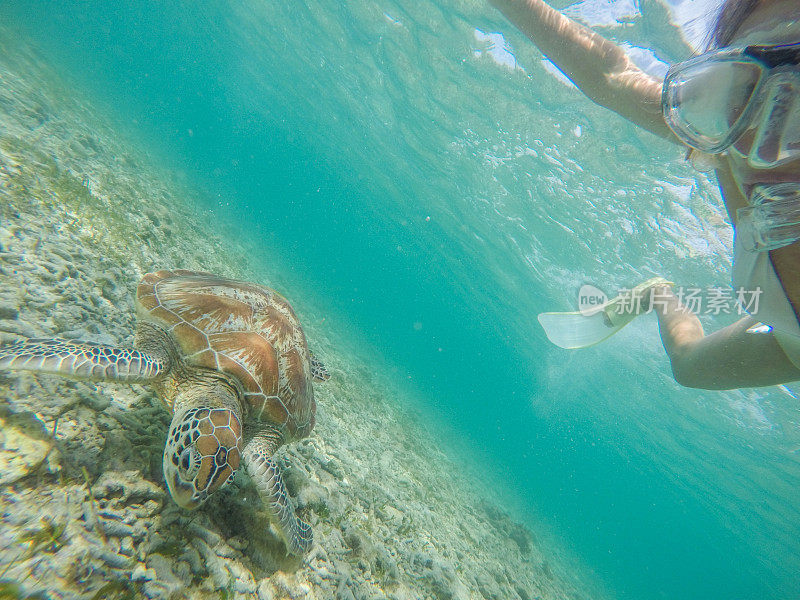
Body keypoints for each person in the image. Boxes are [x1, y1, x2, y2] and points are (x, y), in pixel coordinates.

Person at [490, 0, 800, 389]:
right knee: (687, 364)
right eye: (738, 93)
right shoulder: (733, 143)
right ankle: (658, 294)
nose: (768, 147)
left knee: (690, 370)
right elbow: (613, 77)